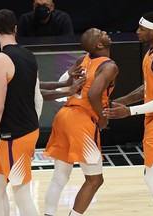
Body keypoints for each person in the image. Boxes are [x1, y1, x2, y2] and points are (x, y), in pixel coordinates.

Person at [103, 12, 153, 216]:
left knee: (152, 177)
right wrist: (120, 102)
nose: (137, 32)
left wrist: (128, 111)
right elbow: (148, 88)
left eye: (142, 29)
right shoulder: (151, 52)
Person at [43, 27, 119, 216]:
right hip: (82, 120)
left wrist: (69, 74)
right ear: (99, 45)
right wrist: (103, 118)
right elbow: (93, 94)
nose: (105, 33)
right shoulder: (109, 66)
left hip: (64, 116)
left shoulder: (81, 60)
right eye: (101, 33)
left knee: (59, 177)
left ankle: (48, 214)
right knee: (95, 180)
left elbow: (65, 82)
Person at [0, 9, 44, 216]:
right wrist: (32, 131)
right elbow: (38, 97)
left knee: (21, 193)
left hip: (15, 135)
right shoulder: (29, 56)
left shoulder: (0, 60)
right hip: (26, 130)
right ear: (16, 29)